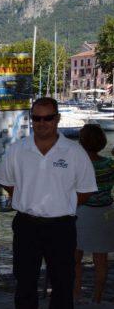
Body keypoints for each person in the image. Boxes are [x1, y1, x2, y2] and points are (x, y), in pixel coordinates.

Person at [0, 97, 97, 309]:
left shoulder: (75, 152)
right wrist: (28, 199)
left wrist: (60, 203)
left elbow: (86, 190)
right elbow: (7, 183)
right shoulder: (17, 150)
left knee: (62, 284)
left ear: (57, 119)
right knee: (24, 284)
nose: (42, 123)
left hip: (61, 227)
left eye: (48, 118)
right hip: (26, 225)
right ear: (31, 119)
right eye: (36, 118)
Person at [74, 124, 114, 304]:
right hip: (106, 213)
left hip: (82, 213)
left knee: (75, 258)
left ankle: (75, 295)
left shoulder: (77, 166)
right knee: (101, 260)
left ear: (82, 142)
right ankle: (96, 299)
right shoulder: (109, 164)